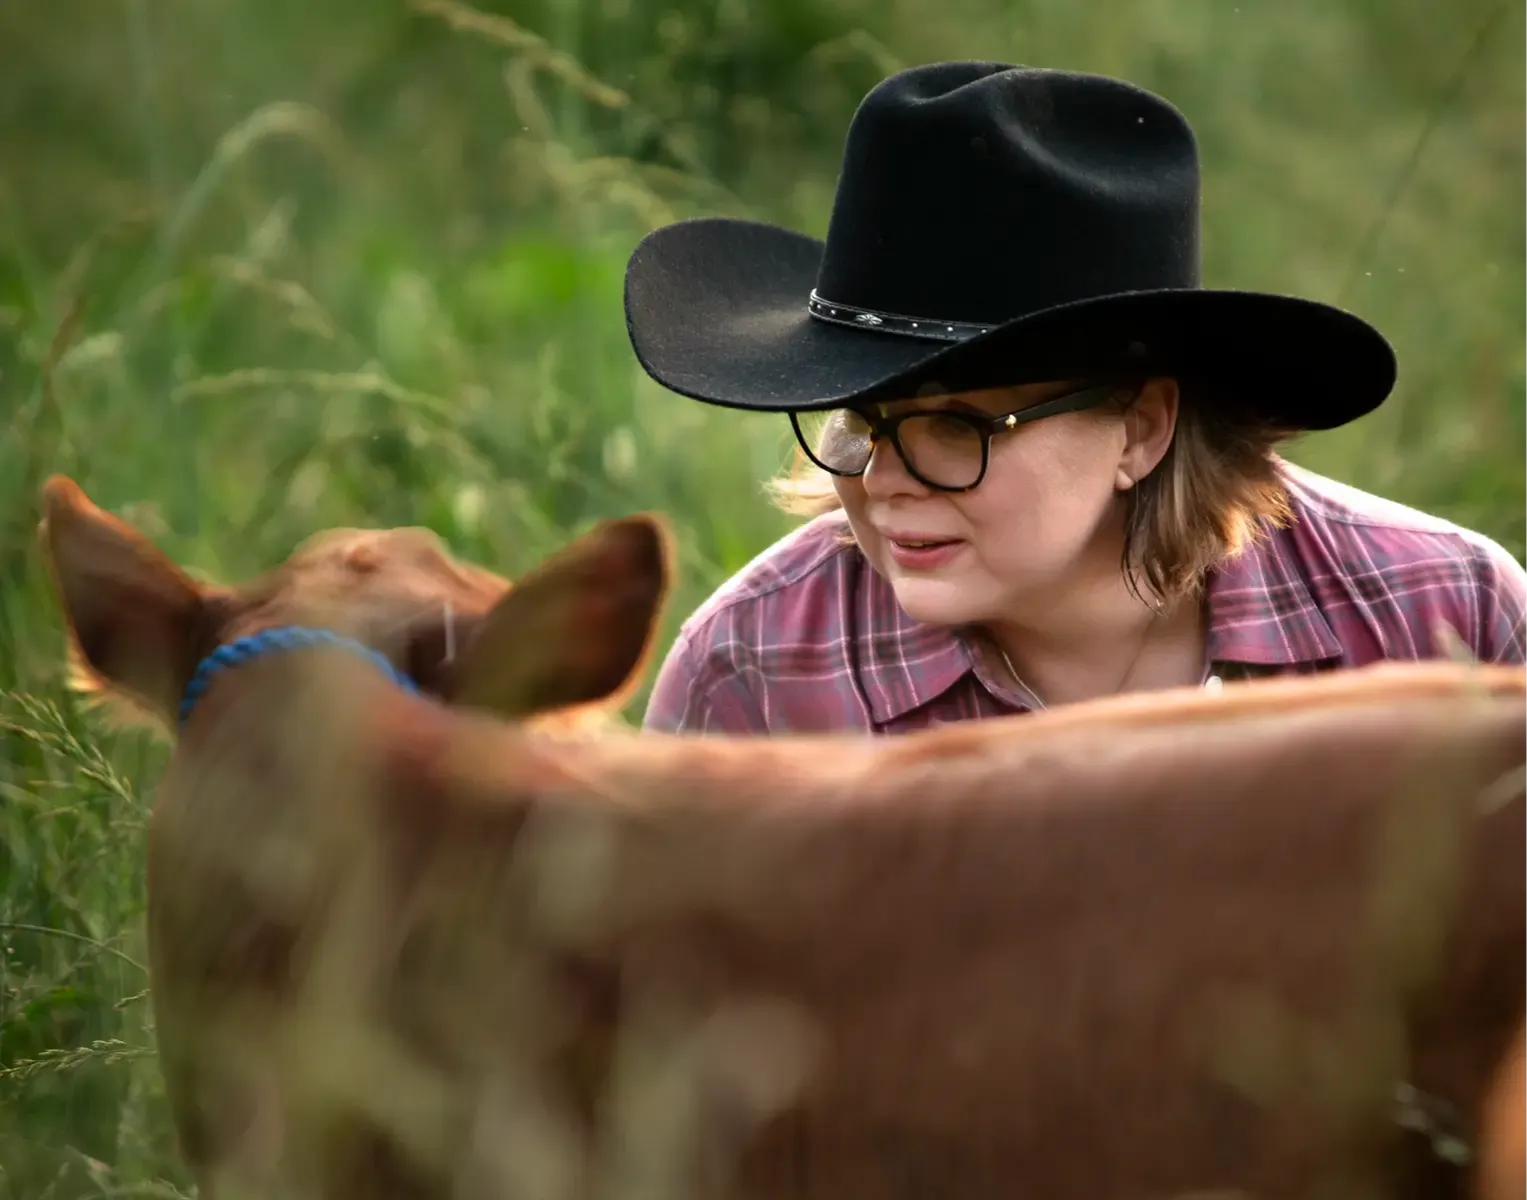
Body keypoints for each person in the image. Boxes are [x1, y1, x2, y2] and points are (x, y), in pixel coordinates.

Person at [621, 60, 1527, 735]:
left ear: (1141, 426)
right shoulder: (756, 671)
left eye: (953, 425)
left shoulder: (1441, 618)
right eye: (860, 416)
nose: (884, 481)